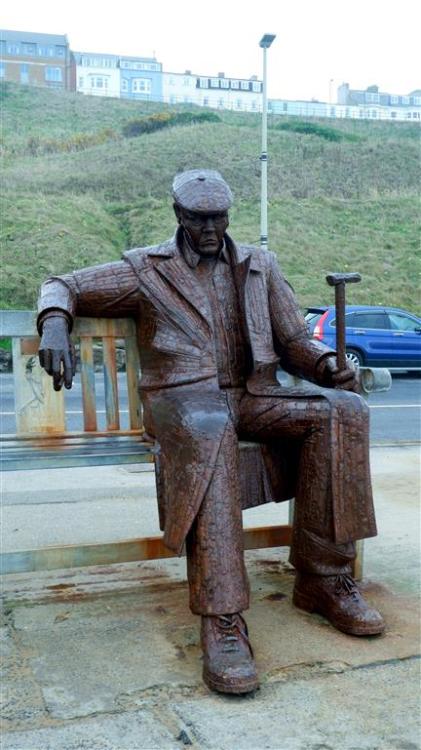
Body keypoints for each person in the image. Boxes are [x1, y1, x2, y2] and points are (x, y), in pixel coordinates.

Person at [37, 169, 384, 695]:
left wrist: (327, 363)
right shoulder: (145, 270)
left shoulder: (259, 266)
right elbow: (63, 283)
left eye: (218, 217)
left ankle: (324, 577)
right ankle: (222, 618)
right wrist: (56, 322)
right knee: (210, 427)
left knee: (341, 412)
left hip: (252, 395)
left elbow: (293, 339)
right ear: (178, 214)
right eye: (199, 218)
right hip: (184, 403)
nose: (209, 228)